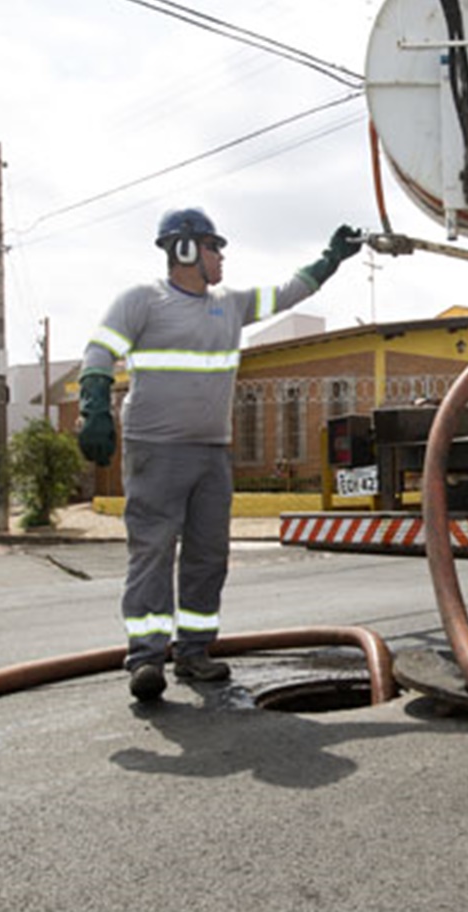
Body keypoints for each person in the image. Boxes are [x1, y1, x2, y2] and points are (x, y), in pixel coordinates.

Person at [78, 207, 363, 700]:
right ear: (184, 249)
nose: (222, 256)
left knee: (209, 557)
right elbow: (100, 351)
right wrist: (94, 405)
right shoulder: (142, 300)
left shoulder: (229, 304)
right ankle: (146, 658)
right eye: (214, 247)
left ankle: (192, 652)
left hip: (212, 454)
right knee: (153, 552)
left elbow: (288, 292)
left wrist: (330, 259)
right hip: (156, 450)